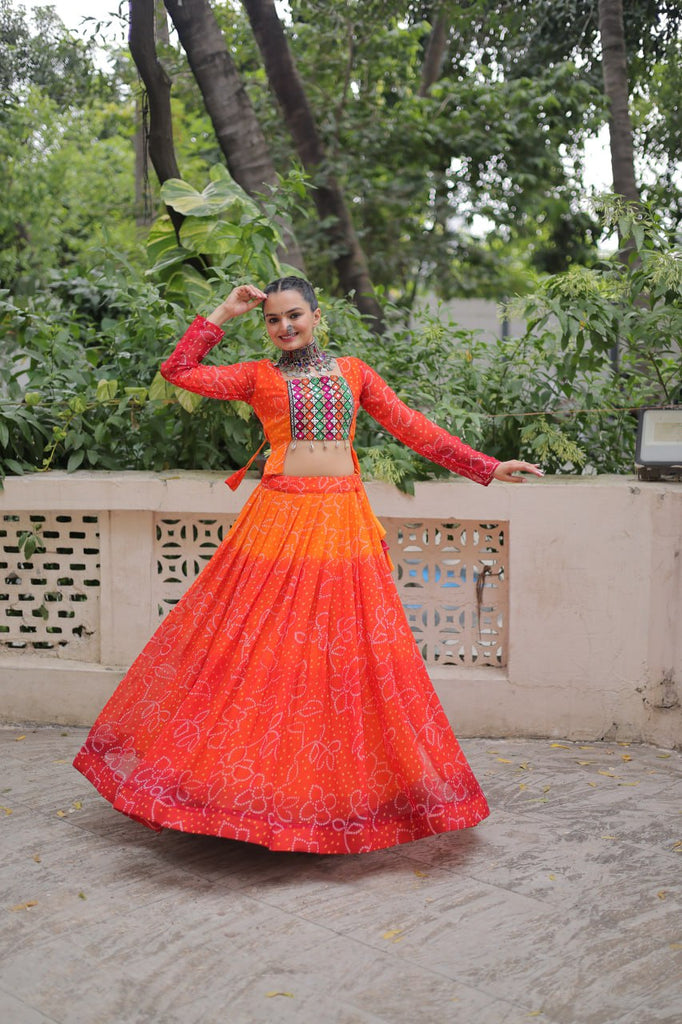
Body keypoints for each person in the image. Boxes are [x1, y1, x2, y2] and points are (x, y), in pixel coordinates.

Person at [74, 278, 542, 854]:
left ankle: (328, 799)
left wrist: (486, 467)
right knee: (261, 652)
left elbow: (409, 426)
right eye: (273, 320)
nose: (284, 327)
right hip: (277, 522)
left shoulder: (353, 372)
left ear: (317, 316)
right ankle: (242, 794)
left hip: (340, 523)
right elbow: (179, 371)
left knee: (339, 656)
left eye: (294, 315)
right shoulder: (256, 377)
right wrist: (225, 310)